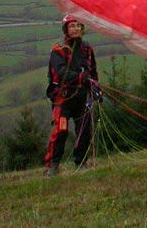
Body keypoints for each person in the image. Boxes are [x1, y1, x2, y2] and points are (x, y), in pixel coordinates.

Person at [44, 15, 101, 176]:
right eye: (72, 26)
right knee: (60, 131)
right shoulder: (59, 50)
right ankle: (53, 165)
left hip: (83, 97)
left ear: (82, 29)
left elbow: (93, 72)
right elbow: (60, 72)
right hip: (64, 98)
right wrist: (79, 77)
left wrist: (96, 88)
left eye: (78, 26)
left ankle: (81, 162)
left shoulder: (87, 49)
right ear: (66, 30)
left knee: (84, 131)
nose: (75, 29)